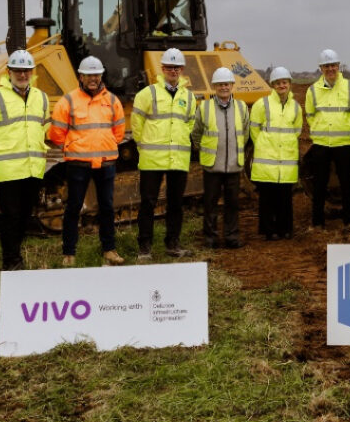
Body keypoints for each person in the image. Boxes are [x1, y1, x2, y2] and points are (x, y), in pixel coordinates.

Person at [0, 49, 49, 270]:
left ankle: (15, 254)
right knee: (11, 217)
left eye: (26, 71)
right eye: (18, 71)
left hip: (33, 169)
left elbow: (44, 126)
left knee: (25, 216)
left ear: (32, 72)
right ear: (9, 72)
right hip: (8, 170)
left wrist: (42, 146)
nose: (22, 75)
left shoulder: (40, 98)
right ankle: (11, 261)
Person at [48, 55, 126, 267]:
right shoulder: (69, 101)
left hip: (106, 163)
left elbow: (119, 132)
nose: (93, 78)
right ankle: (69, 253)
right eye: (88, 75)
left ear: (101, 75)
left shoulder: (111, 100)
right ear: (80, 77)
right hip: (78, 164)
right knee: (73, 208)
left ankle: (109, 250)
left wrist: (105, 144)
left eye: (96, 74)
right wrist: (73, 147)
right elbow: (56, 133)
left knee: (107, 208)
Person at [132, 48, 197, 261]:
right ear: (162, 69)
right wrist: (144, 145)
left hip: (178, 158)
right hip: (152, 159)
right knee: (148, 203)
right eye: (169, 67)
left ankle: (173, 244)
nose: (173, 71)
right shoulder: (147, 94)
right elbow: (137, 124)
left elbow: (190, 122)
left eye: (176, 67)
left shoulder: (188, 97)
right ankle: (145, 247)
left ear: (182, 69)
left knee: (175, 203)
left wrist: (181, 136)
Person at [304, 49, 350, 232]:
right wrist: (320, 129)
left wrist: (347, 128)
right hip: (321, 144)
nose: (330, 69)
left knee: (347, 183)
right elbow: (310, 115)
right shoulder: (313, 90)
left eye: (333, 65)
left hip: (344, 144)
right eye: (326, 66)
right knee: (320, 184)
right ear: (321, 68)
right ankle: (317, 222)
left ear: (339, 66)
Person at [191, 66, 249, 249]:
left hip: (233, 165)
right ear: (214, 87)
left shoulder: (241, 107)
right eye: (220, 85)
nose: (224, 87)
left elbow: (245, 133)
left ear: (232, 85)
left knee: (232, 204)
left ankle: (231, 237)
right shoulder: (205, 107)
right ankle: (210, 239)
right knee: (210, 204)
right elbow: (196, 133)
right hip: (212, 167)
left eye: (227, 84)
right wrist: (204, 150)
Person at [250, 66, 303, 240]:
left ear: (289, 84)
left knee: (285, 197)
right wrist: (264, 145)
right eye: (278, 83)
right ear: (273, 85)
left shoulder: (295, 107)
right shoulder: (262, 104)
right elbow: (254, 129)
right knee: (267, 197)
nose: (282, 85)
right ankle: (268, 230)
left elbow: (297, 130)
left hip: (286, 160)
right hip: (267, 161)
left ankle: (285, 229)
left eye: (284, 82)